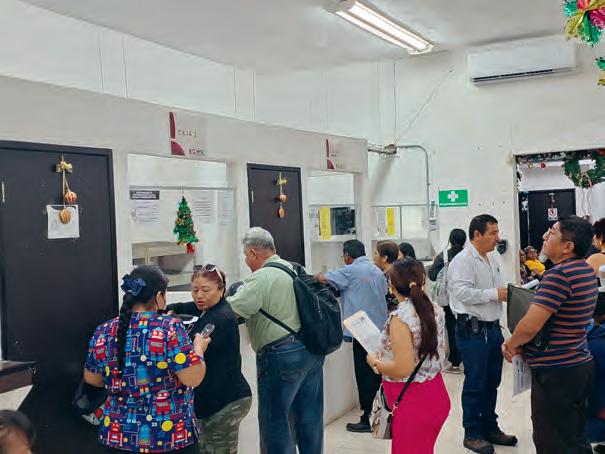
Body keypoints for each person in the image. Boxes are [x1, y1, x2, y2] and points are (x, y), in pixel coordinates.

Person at [84, 265, 208, 453]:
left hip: (118, 438)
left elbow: (92, 378)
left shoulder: (104, 330)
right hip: (169, 437)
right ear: (159, 296)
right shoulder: (169, 328)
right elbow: (193, 378)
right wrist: (198, 349)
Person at [503, 216, 598, 454]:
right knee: (575, 436)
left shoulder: (559, 275)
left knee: (552, 441)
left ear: (568, 246)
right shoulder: (585, 270)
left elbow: (531, 325)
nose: (545, 236)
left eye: (552, 232)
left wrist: (511, 344)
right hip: (579, 364)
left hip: (556, 372)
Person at [226, 228, 324, 454]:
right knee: (310, 418)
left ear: (253, 252)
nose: (246, 261)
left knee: (276, 422)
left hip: (281, 356)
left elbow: (232, 310)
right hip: (310, 351)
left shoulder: (261, 277)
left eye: (246, 255)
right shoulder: (294, 268)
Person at [447, 214, 515, 454]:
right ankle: (472, 432)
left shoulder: (492, 257)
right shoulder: (463, 261)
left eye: (497, 232)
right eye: (492, 233)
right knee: (475, 382)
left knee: (492, 381)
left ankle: (489, 427)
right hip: (473, 331)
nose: (497, 238)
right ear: (477, 234)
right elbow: (461, 293)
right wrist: (494, 294)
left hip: (493, 329)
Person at [367, 258, 450, 453]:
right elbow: (443, 351)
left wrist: (375, 363)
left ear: (392, 287)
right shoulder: (435, 309)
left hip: (412, 403)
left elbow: (403, 368)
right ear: (423, 280)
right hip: (435, 393)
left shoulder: (401, 319)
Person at [167, 264, 252, 454]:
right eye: (195, 289)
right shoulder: (208, 308)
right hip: (216, 398)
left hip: (226, 402)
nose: (199, 295)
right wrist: (167, 310)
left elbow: (188, 351)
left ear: (221, 290)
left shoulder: (218, 318)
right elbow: (184, 307)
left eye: (206, 290)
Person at [317, 239, 388, 433]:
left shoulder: (350, 270)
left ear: (348, 256)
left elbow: (322, 278)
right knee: (376, 376)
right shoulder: (376, 270)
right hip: (379, 330)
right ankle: (379, 415)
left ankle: (368, 419)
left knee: (364, 376)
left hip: (362, 331)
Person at [428, 228, 466, 374]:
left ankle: (455, 363)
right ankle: (468, 359)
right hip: (466, 297)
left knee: (451, 328)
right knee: (466, 327)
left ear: (450, 240)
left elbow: (432, 275)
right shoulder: (468, 256)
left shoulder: (443, 256)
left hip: (449, 299)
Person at [373, 240, 400, 312]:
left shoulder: (393, 276)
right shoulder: (382, 272)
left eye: (375, 253)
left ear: (384, 258)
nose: (373, 257)